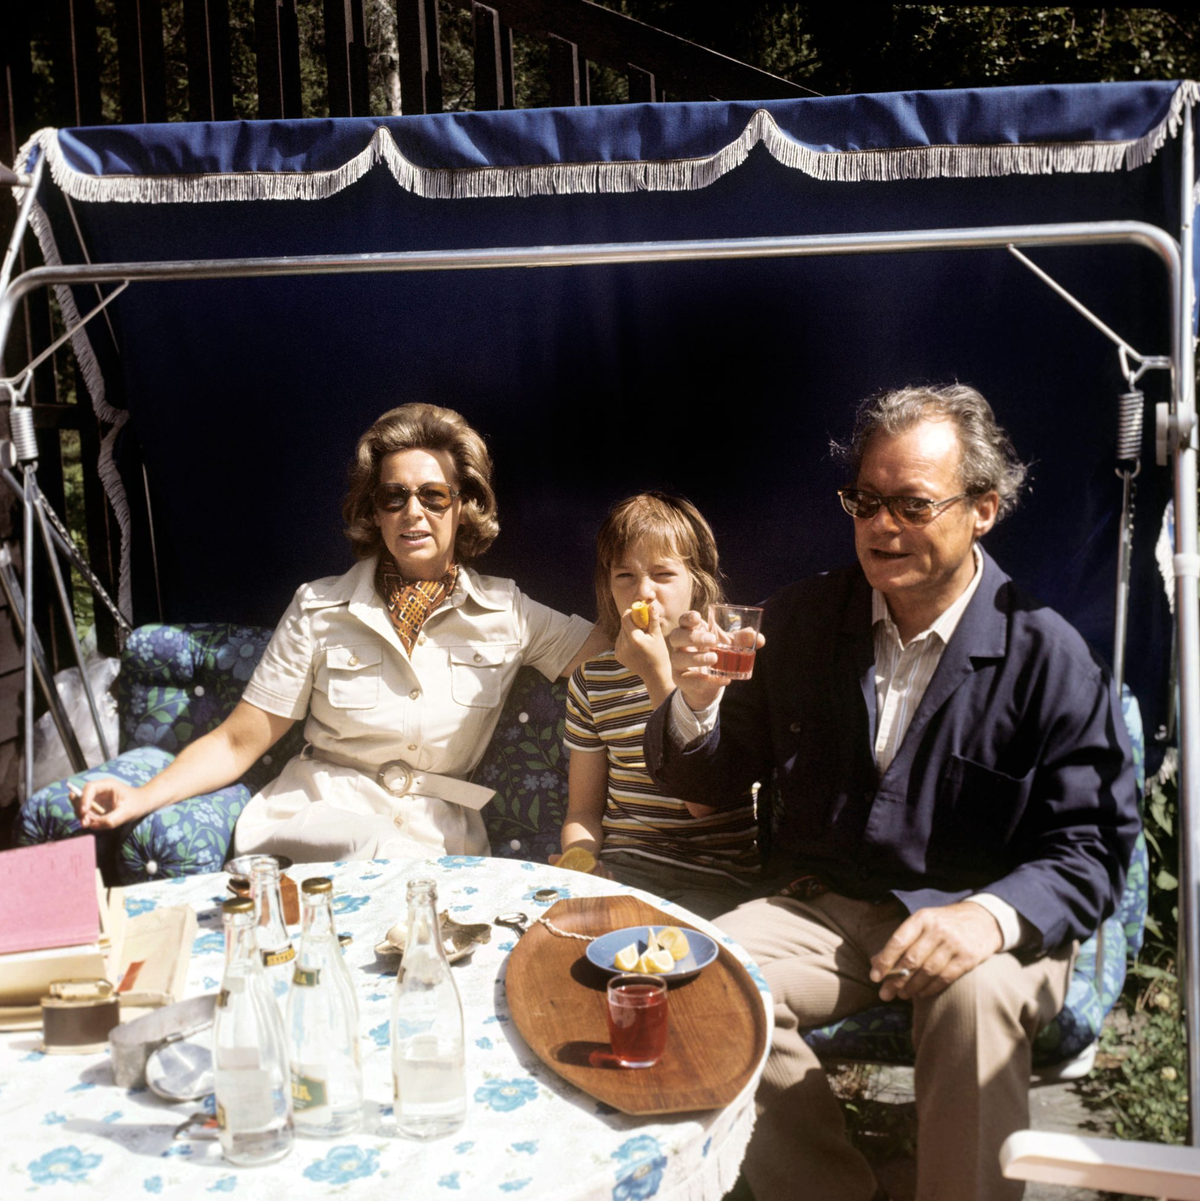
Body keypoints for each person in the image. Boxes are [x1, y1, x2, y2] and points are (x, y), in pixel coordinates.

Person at [644, 384, 1140, 1201]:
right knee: (697, 978)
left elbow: (1091, 848)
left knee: (971, 1001)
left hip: (985, 914)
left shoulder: (1047, 654)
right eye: (866, 501)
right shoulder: (802, 619)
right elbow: (714, 780)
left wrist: (989, 916)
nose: (882, 526)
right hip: (829, 908)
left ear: (983, 509)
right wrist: (695, 704)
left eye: (912, 504)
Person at [74, 403, 606, 862]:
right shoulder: (318, 607)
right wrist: (139, 797)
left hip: (438, 844)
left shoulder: (507, 611)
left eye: (433, 496)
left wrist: (652, 614)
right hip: (317, 824)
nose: (413, 512)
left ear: (463, 506)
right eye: (393, 496)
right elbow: (237, 741)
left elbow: (612, 658)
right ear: (375, 512)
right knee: (378, 854)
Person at [557, 493, 759, 918]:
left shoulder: (727, 667)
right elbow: (583, 812)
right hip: (624, 869)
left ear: (697, 583)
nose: (643, 592)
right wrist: (582, 862)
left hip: (716, 879)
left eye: (663, 574)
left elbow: (701, 803)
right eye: (624, 576)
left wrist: (655, 675)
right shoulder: (592, 681)